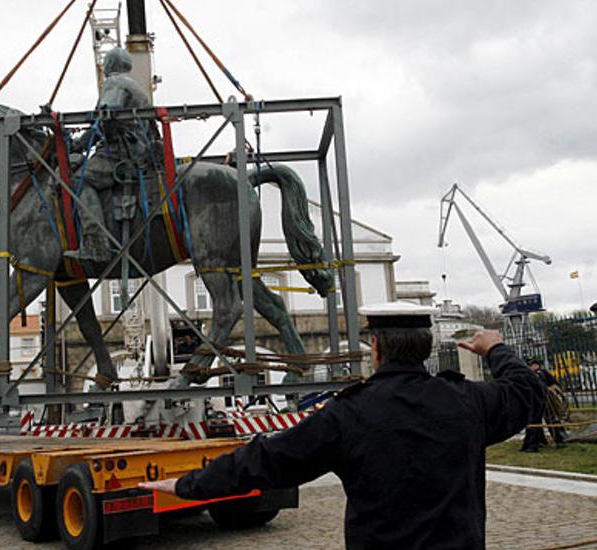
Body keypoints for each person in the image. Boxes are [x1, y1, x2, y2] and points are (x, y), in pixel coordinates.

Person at [140, 302, 545, 549]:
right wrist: (496, 348)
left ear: (376, 348)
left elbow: (269, 460)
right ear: (424, 347)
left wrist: (187, 484)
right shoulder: (468, 402)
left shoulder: (349, 414)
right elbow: (527, 390)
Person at [66, 47, 154, 264]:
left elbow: (106, 118)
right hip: (138, 151)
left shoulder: (115, 83)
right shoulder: (133, 85)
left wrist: (78, 145)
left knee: (79, 179)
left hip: (122, 154)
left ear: (109, 66)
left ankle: (96, 244)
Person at [521, 357, 566, 451]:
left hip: (547, 402)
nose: (531, 366)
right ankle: (535, 442)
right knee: (533, 422)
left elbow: (555, 383)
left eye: (533, 364)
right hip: (534, 402)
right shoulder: (527, 376)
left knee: (552, 420)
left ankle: (559, 440)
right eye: (529, 365)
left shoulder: (544, 373)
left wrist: (552, 389)